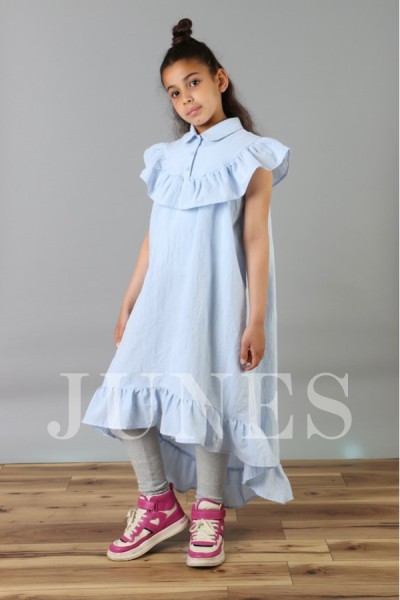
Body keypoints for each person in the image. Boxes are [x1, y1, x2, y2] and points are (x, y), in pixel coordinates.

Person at [82, 17, 294, 568]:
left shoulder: (252, 154)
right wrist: (130, 298)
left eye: (194, 83)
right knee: (127, 393)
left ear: (220, 79)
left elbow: (255, 242)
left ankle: (208, 508)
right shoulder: (168, 158)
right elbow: (155, 236)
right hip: (162, 296)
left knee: (207, 398)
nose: (186, 99)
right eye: (175, 92)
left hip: (217, 297)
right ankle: (158, 503)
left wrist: (255, 319)